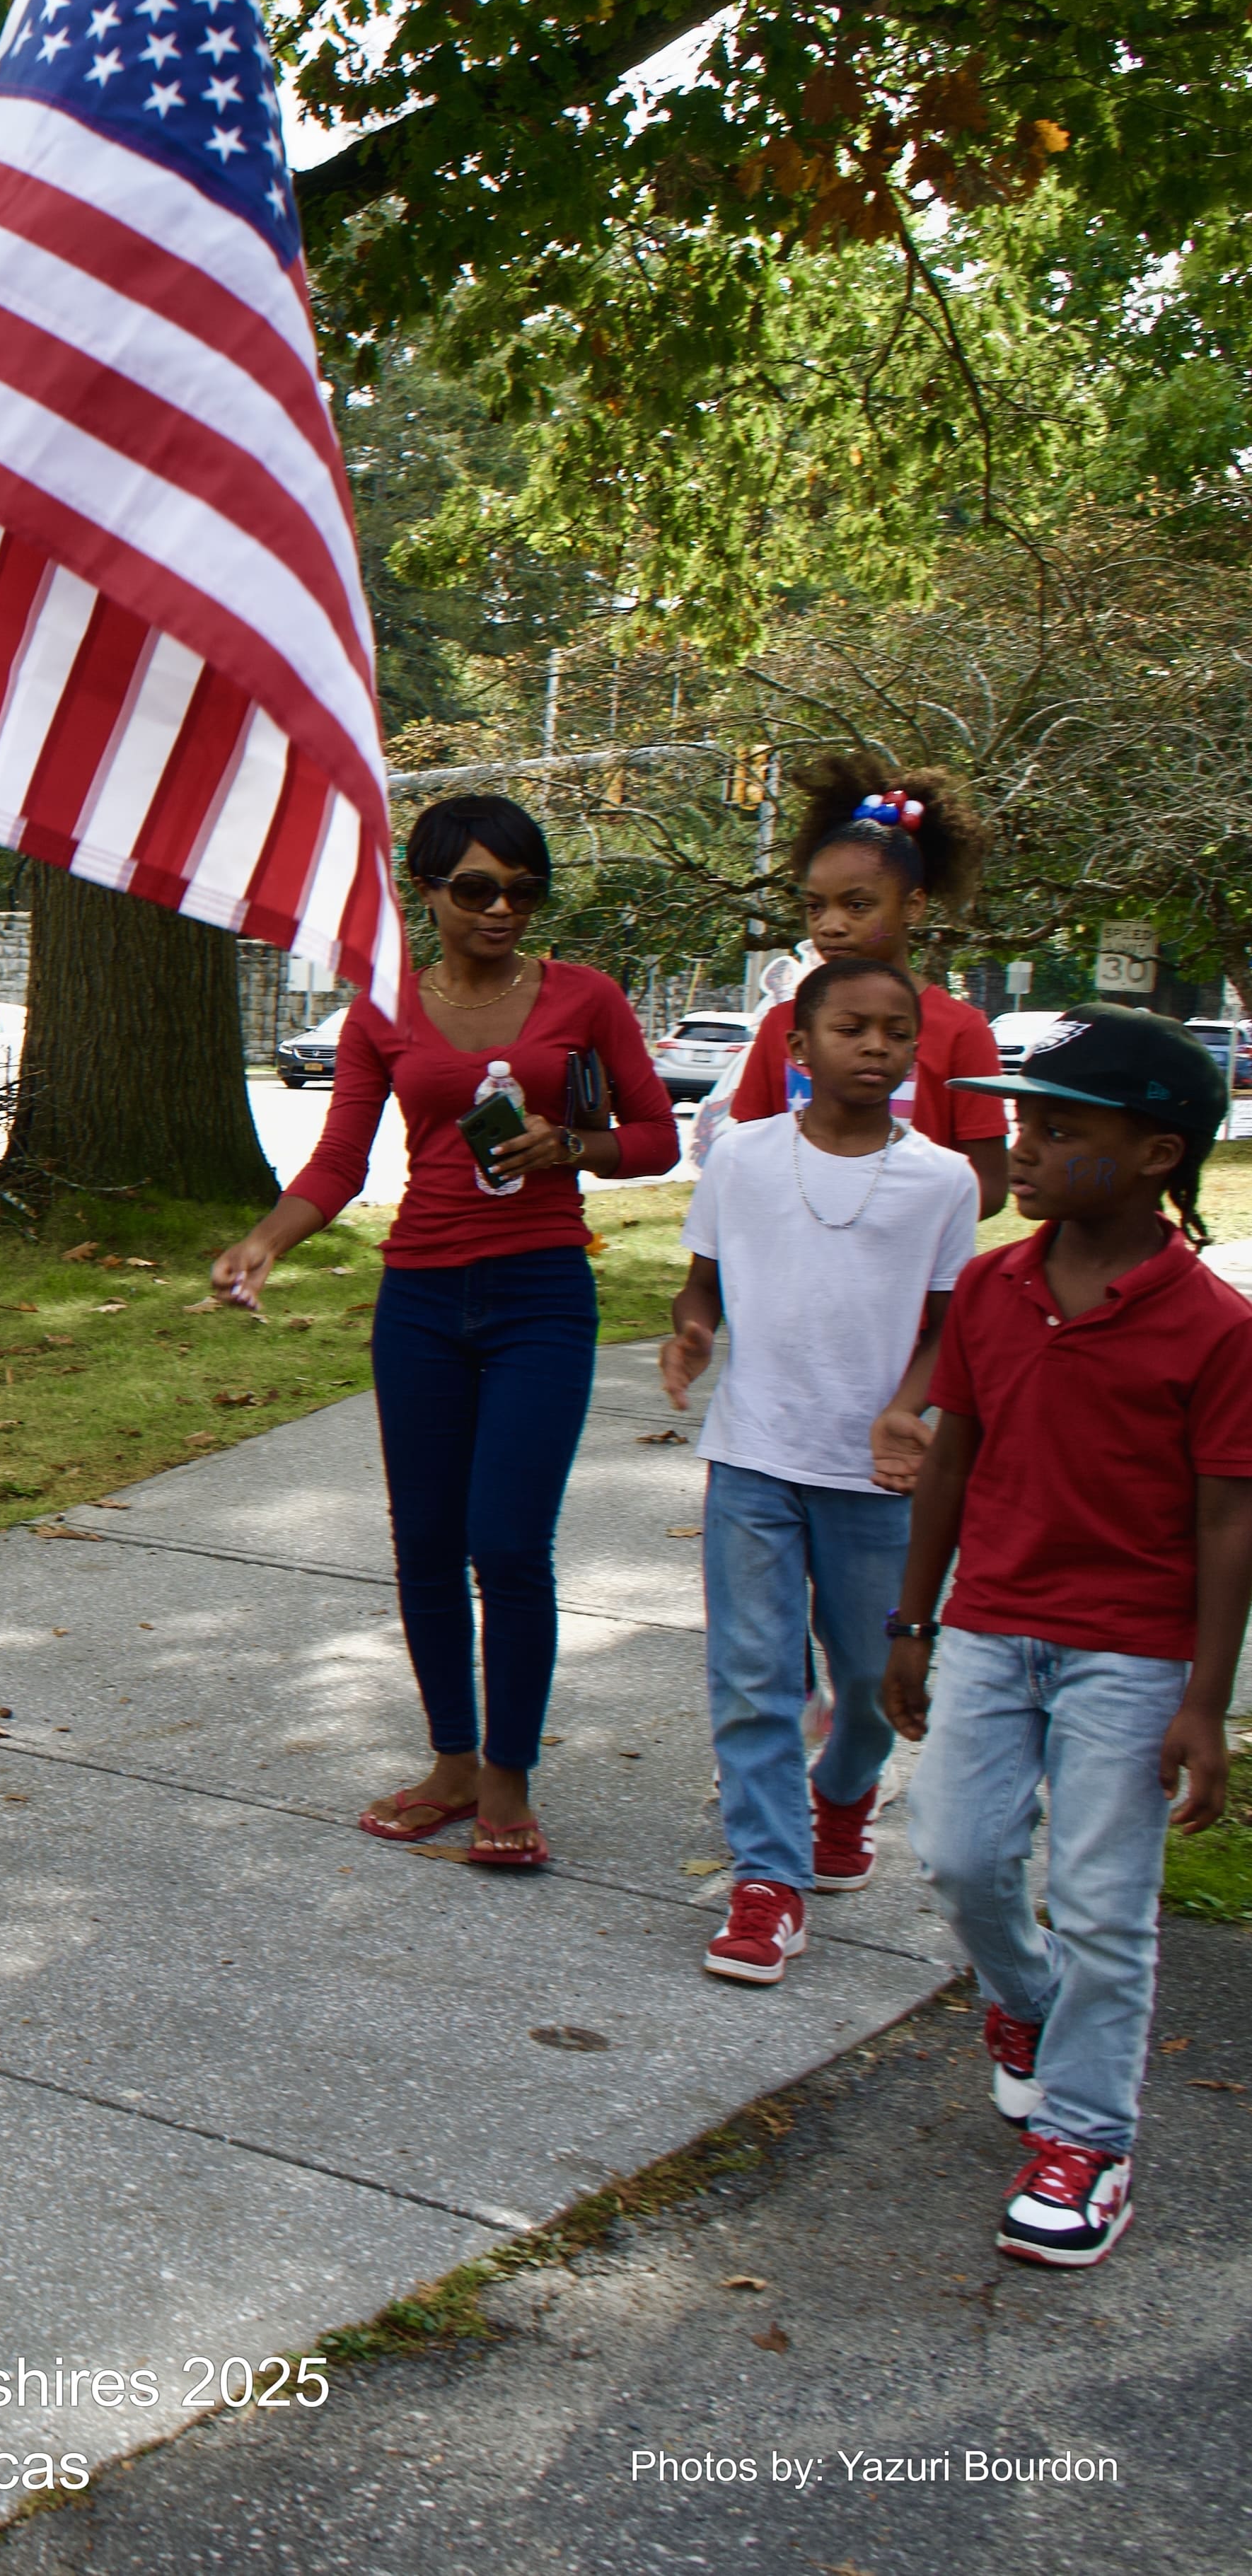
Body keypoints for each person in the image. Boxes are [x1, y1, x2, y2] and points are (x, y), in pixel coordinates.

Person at [210, 796, 677, 1871]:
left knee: (506, 1542)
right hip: (420, 1299)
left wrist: (573, 1147)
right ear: (425, 891)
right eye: (475, 888)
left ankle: (509, 1778)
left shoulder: (587, 998)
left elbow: (655, 1135)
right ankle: (453, 1763)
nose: (501, 908)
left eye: (522, 889)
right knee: (424, 1541)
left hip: (540, 1293)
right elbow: (341, 1158)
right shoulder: (382, 1010)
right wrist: (265, 1240)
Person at [885, 1008, 1252, 2268]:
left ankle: (1088, 2141)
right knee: (957, 1852)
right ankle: (1028, 2006)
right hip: (991, 1626)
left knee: (1101, 1901)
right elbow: (949, 1463)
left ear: (1156, 1154)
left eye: (1056, 1126)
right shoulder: (993, 1289)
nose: (1022, 1146)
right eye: (1022, 1122)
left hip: (1130, 1655)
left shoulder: (1214, 1329)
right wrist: (911, 1620)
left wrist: (1204, 1699)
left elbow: (1227, 1518)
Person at [659, 958, 983, 1984]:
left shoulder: (942, 1179)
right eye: (851, 1028)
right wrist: (694, 1332)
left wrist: (906, 1408)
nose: (876, 1046)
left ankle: (841, 1797)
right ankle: (768, 1881)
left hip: (876, 1480)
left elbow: (947, 1327)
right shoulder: (744, 1158)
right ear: (797, 1046)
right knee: (752, 1675)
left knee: (873, 1683)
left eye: (897, 1031)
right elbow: (701, 1285)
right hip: (753, 1458)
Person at [724, 753, 1008, 1217]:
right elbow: (745, 1158)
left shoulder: (961, 1030)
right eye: (815, 907)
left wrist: (890, 1218)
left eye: (856, 906)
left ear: (912, 906)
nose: (830, 925)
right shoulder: (783, 1024)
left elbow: (990, 1185)